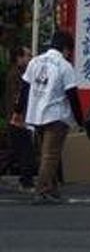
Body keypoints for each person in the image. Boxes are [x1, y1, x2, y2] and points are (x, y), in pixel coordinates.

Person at [12, 30, 83, 204]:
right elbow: (72, 95)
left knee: (46, 153)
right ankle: (42, 190)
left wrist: (18, 110)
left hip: (36, 114)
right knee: (50, 155)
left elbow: (25, 88)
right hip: (56, 115)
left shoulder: (35, 61)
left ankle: (53, 190)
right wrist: (80, 120)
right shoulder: (64, 66)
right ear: (66, 48)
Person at [0, 46, 36, 190]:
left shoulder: (18, 73)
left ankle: (26, 181)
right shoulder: (16, 75)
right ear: (19, 58)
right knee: (25, 151)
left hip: (16, 118)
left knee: (15, 151)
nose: (30, 58)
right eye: (28, 56)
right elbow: (17, 98)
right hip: (17, 119)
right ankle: (26, 182)